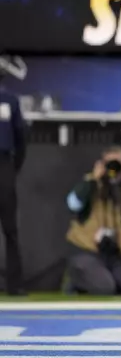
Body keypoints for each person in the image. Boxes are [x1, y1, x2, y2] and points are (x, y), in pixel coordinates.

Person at [65, 146, 121, 295]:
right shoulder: (90, 183)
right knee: (104, 288)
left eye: (118, 163)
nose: (113, 169)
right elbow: (72, 204)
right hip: (88, 252)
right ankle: (75, 282)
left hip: (117, 254)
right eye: (109, 163)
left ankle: (105, 278)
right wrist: (93, 180)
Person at [0, 90, 26, 295]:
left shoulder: (9, 100)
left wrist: (11, 167)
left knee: (10, 229)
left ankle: (15, 285)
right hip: (6, 165)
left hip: (4, 163)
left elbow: (21, 137)